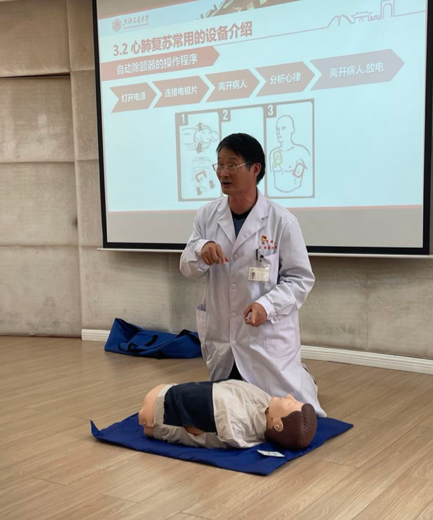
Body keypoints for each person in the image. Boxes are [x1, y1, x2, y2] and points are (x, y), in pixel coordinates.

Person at [180, 132, 325, 417]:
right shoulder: (207, 216)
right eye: (220, 165)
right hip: (223, 336)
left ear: (255, 168)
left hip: (264, 338)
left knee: (286, 413)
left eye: (232, 165)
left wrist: (266, 305)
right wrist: (200, 250)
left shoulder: (281, 221)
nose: (223, 173)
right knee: (228, 412)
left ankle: (303, 377)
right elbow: (186, 266)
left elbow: (300, 279)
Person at [137, 380, 317, 451]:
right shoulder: (263, 403)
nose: (289, 396)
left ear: (278, 424)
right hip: (166, 394)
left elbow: (194, 427)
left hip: (155, 413)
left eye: (290, 404)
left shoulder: (236, 423)